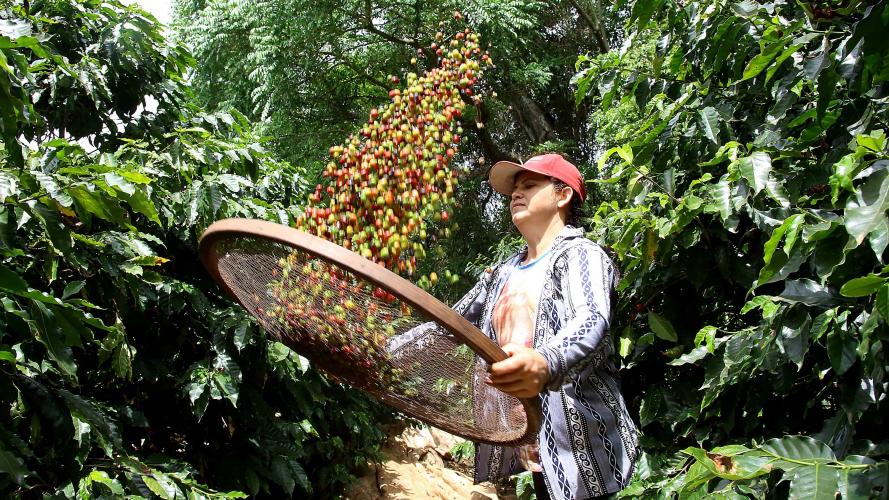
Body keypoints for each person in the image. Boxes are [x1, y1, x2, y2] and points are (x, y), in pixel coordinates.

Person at [449, 153, 639, 500]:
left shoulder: (581, 254)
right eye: (513, 191)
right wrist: (383, 351)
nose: (515, 195)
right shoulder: (502, 273)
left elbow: (591, 318)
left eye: (529, 185)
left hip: (584, 452)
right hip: (530, 443)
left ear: (562, 195)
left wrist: (545, 361)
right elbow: (449, 322)